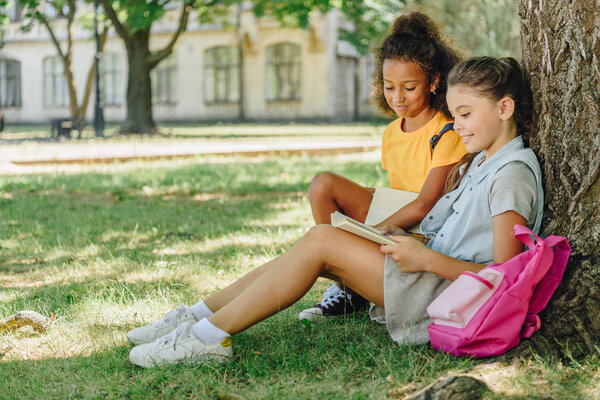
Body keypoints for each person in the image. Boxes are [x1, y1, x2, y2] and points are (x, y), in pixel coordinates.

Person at [127, 56, 543, 368]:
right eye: (453, 117)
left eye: (465, 115)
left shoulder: (511, 174)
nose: (457, 126)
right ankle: (196, 317)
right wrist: (407, 242)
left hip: (443, 295)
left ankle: (206, 337)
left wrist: (424, 257)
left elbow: (505, 280)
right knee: (317, 242)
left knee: (323, 240)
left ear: (504, 109)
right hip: (427, 272)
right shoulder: (485, 161)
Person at [300, 12, 466, 320]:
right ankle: (348, 289)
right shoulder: (391, 132)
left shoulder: (448, 128)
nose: (397, 97)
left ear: (434, 82)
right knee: (323, 183)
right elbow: (398, 190)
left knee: (337, 242)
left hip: (427, 228)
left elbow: (426, 202)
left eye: (409, 87)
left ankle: (351, 271)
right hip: (399, 212)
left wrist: (371, 233)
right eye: (389, 87)